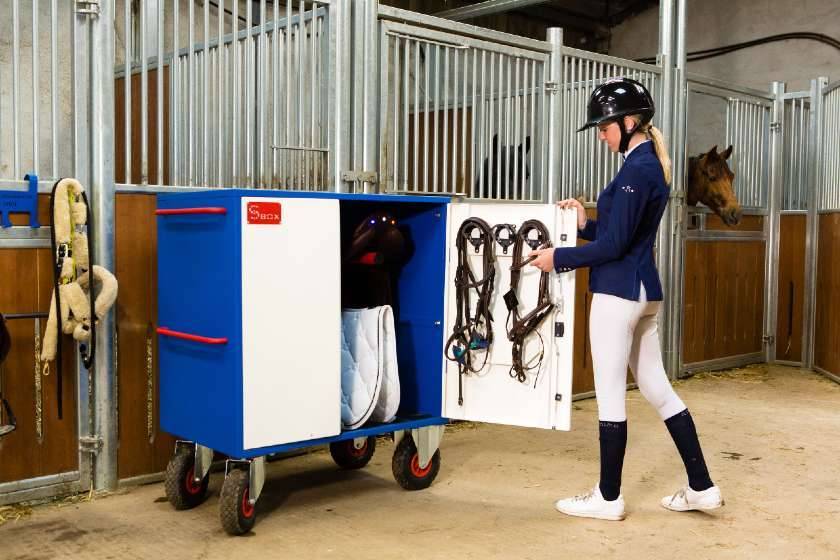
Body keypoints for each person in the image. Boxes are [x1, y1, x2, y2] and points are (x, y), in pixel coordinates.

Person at [528, 77, 724, 521]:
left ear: (629, 122)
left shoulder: (637, 171)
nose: (600, 134)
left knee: (610, 395)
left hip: (618, 294)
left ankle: (608, 497)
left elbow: (615, 248)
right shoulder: (646, 165)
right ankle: (702, 487)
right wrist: (584, 223)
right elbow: (619, 236)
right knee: (659, 389)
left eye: (604, 126)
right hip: (642, 293)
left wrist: (558, 257)